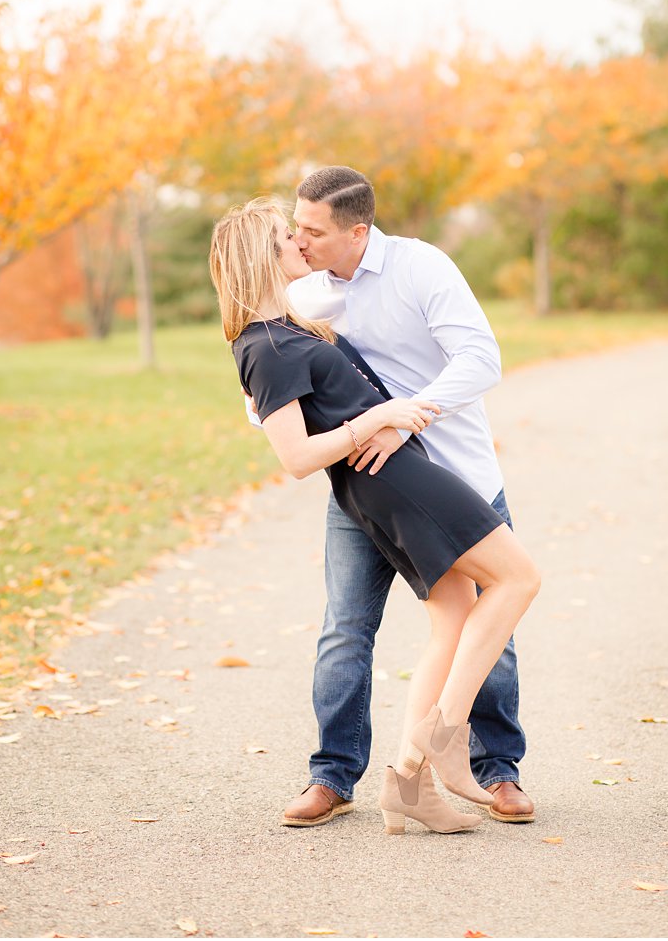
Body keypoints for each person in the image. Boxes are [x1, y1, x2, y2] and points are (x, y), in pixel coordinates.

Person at [210, 196, 541, 834]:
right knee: (519, 578)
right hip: (396, 480)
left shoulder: (294, 322)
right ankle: (443, 733)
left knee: (452, 615)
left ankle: (409, 783)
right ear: (263, 255)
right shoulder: (269, 344)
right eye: (287, 236)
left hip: (399, 474)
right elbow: (295, 457)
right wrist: (382, 416)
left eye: (306, 232)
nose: (298, 244)